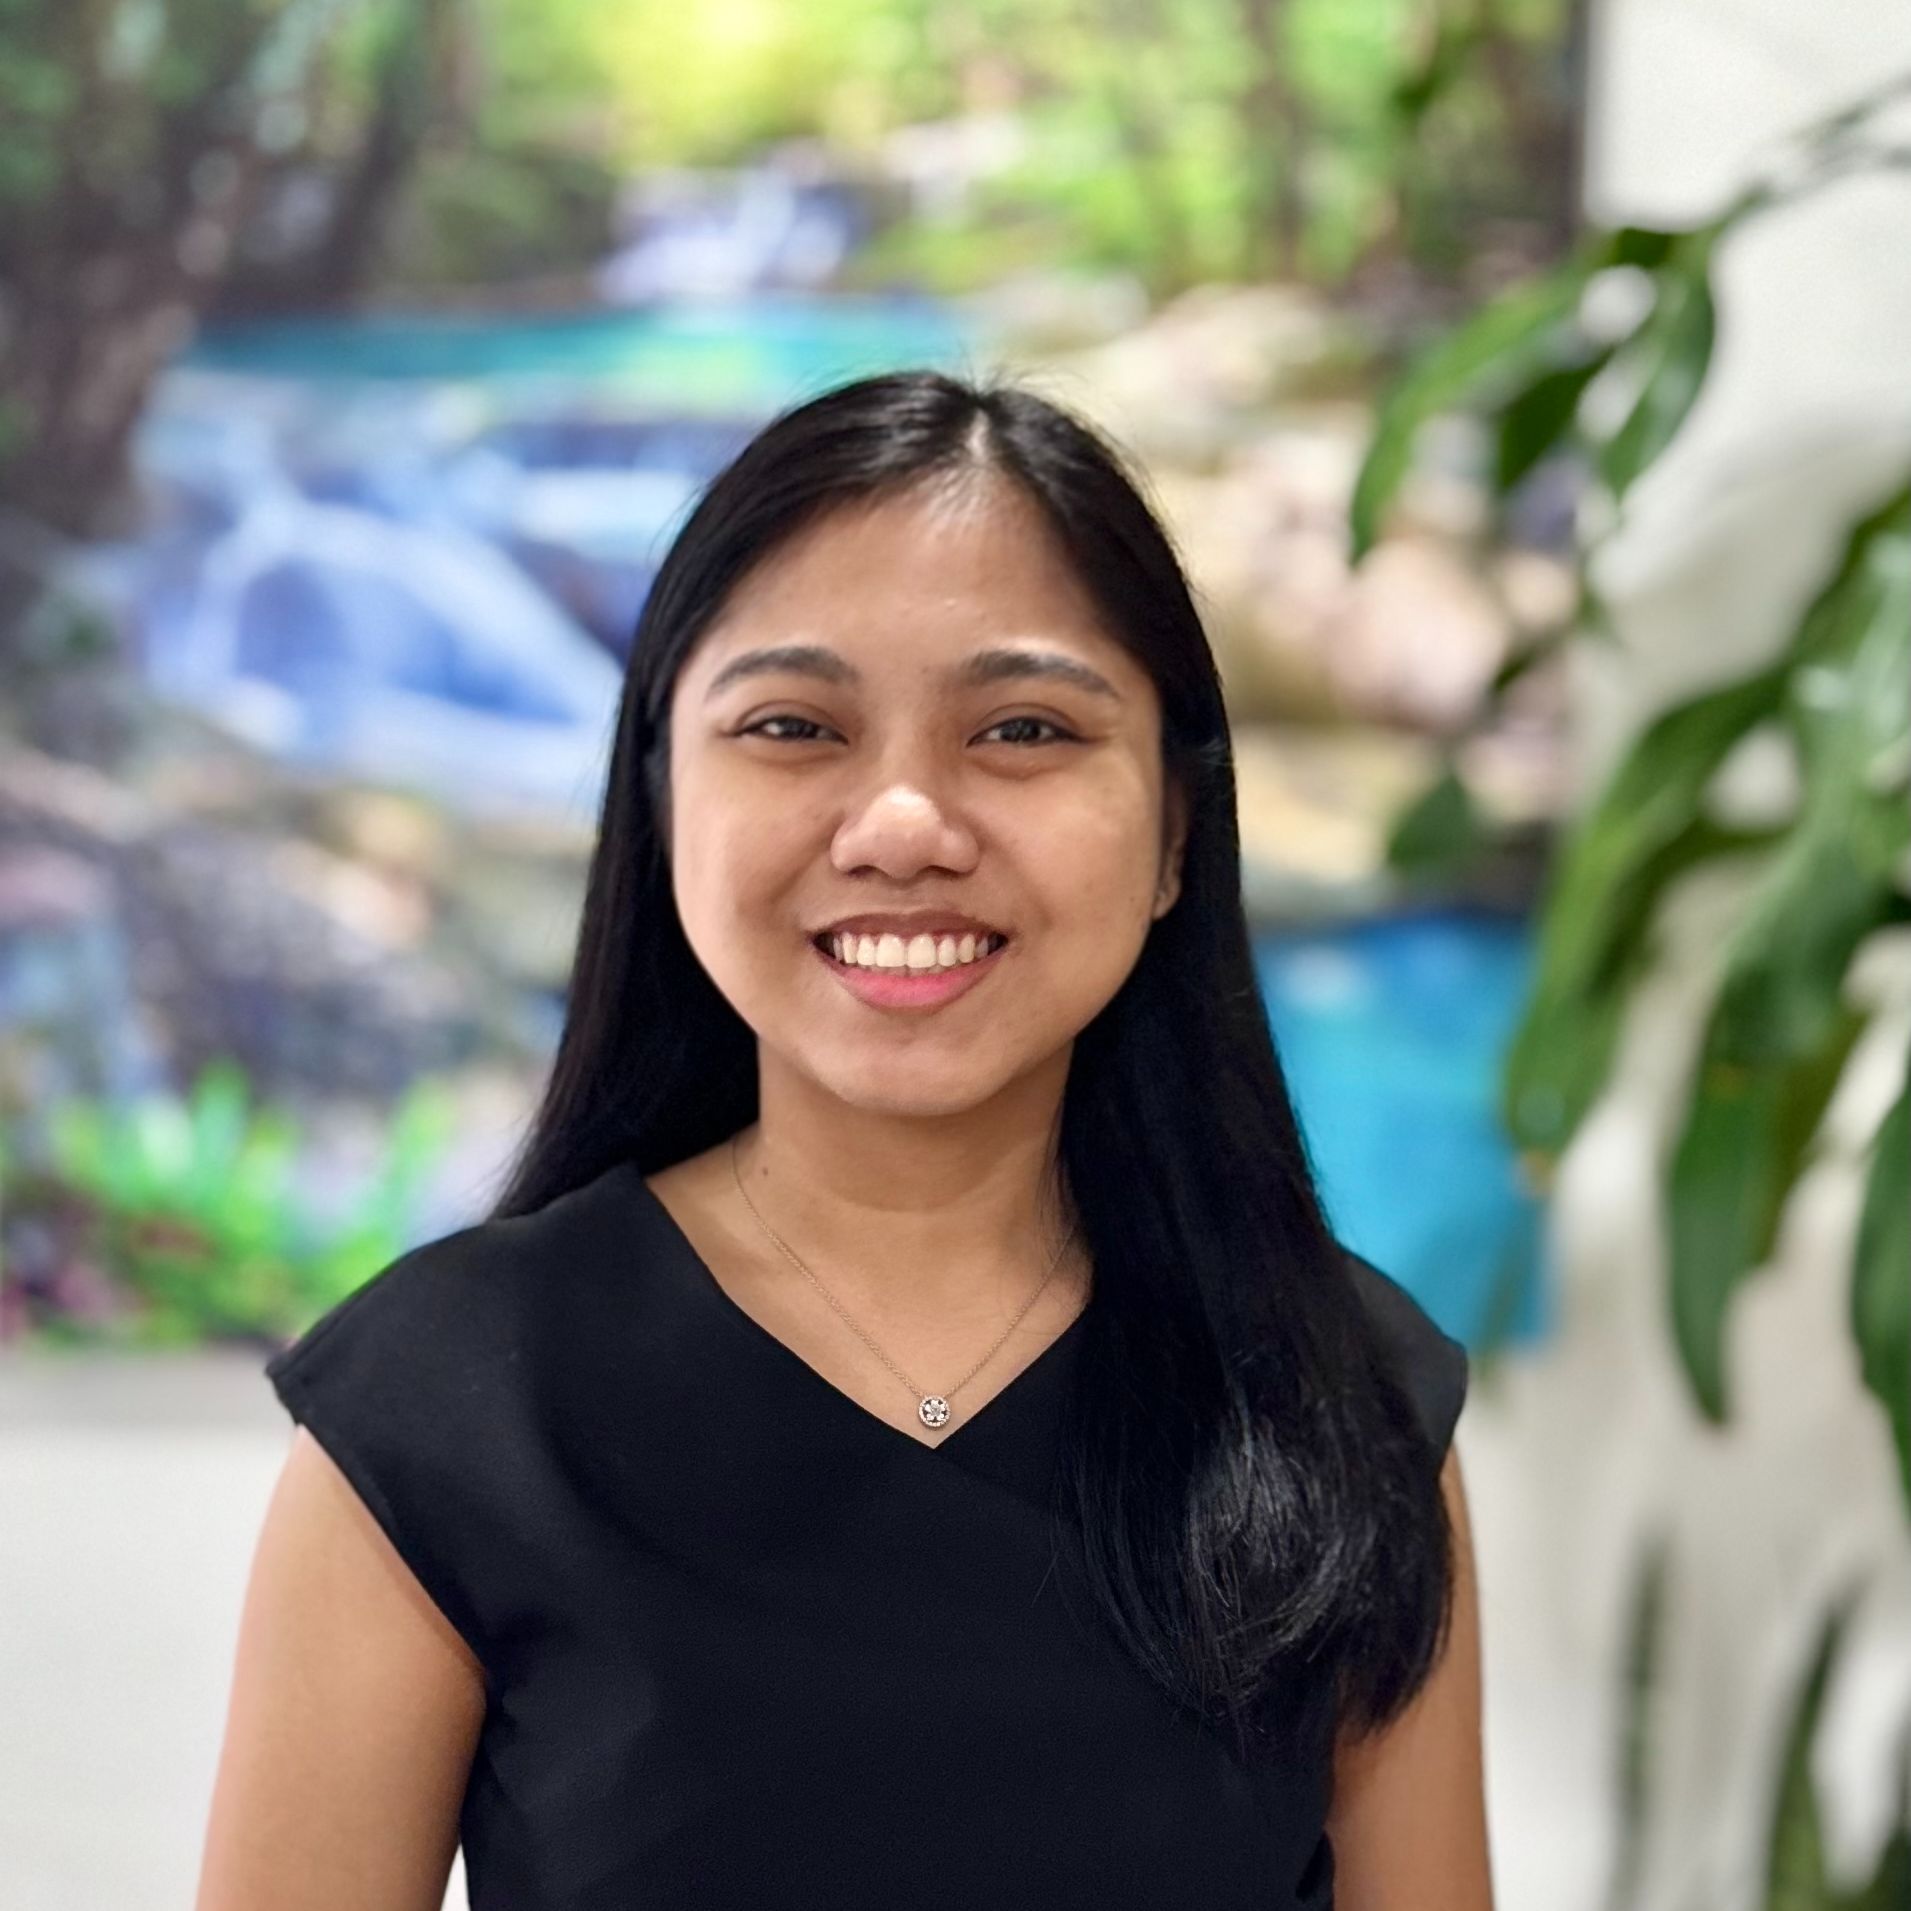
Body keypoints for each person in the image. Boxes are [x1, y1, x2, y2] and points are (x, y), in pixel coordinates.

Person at [196, 368, 1492, 1910]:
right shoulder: (443, 1412)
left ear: (1174, 837)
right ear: (665, 806)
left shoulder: (1342, 1402)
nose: (899, 826)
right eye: (795, 726)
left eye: (1020, 728)